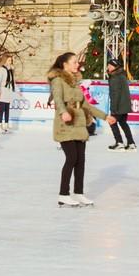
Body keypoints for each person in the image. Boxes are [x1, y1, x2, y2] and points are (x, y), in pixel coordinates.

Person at [48, 51, 103, 207]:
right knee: (71, 158)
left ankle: (79, 193)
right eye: (74, 62)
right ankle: (63, 194)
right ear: (65, 64)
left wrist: (106, 117)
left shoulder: (76, 81)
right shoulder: (58, 80)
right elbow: (58, 99)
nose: (77, 64)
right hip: (65, 123)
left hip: (78, 123)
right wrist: (64, 112)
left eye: (77, 62)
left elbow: (85, 104)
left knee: (81, 160)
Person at [106, 58, 137, 150]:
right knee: (123, 123)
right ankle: (131, 143)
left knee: (112, 122)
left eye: (109, 65)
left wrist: (114, 108)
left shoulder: (115, 78)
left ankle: (119, 142)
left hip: (119, 106)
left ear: (114, 66)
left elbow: (116, 94)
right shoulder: (121, 75)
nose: (108, 67)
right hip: (124, 105)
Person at [0, 57, 17, 133]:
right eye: (9, 60)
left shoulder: (10, 70)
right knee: (2, 109)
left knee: (7, 109)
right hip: (2, 90)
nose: (10, 62)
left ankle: (6, 125)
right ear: (5, 60)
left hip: (8, 91)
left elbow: (13, 81)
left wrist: (17, 90)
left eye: (11, 60)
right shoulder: (1, 70)